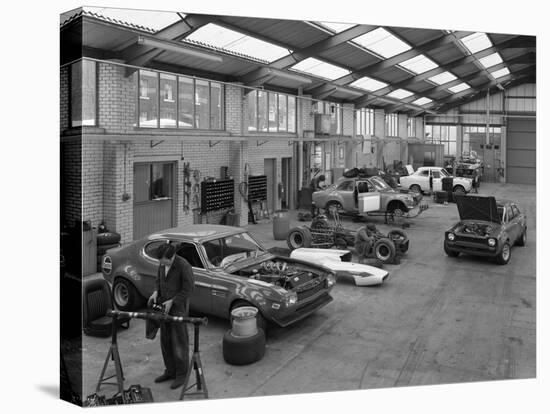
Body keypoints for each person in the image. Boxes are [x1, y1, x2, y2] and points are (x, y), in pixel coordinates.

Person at [148, 242, 195, 390]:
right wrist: (156, 292)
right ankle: (170, 371)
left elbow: (189, 288)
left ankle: (181, 374)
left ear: (171, 257)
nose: (160, 263)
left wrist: (173, 301)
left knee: (179, 343)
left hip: (177, 310)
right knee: (166, 341)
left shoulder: (183, 266)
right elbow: (158, 281)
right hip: (163, 308)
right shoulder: (162, 263)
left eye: (163, 261)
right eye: (160, 261)